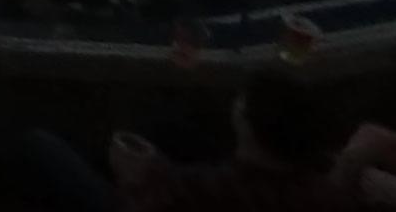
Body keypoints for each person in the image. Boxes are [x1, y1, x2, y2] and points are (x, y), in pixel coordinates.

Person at [33, 70, 351, 211]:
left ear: (248, 126)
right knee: (167, 127)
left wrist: (134, 181)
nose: (236, 104)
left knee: (38, 144)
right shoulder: (320, 190)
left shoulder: (218, 188)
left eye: (241, 102)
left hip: (135, 201)